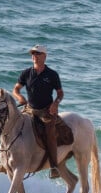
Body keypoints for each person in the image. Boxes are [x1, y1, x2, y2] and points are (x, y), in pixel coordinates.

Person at [13, 44, 64, 179]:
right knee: (13, 125)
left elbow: (60, 93)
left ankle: (54, 167)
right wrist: (20, 97)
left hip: (46, 111)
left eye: (37, 54)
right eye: (33, 54)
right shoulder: (26, 73)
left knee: (49, 133)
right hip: (30, 109)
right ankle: (7, 160)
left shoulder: (52, 75)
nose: (34, 56)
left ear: (44, 56)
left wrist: (55, 103)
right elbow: (16, 90)